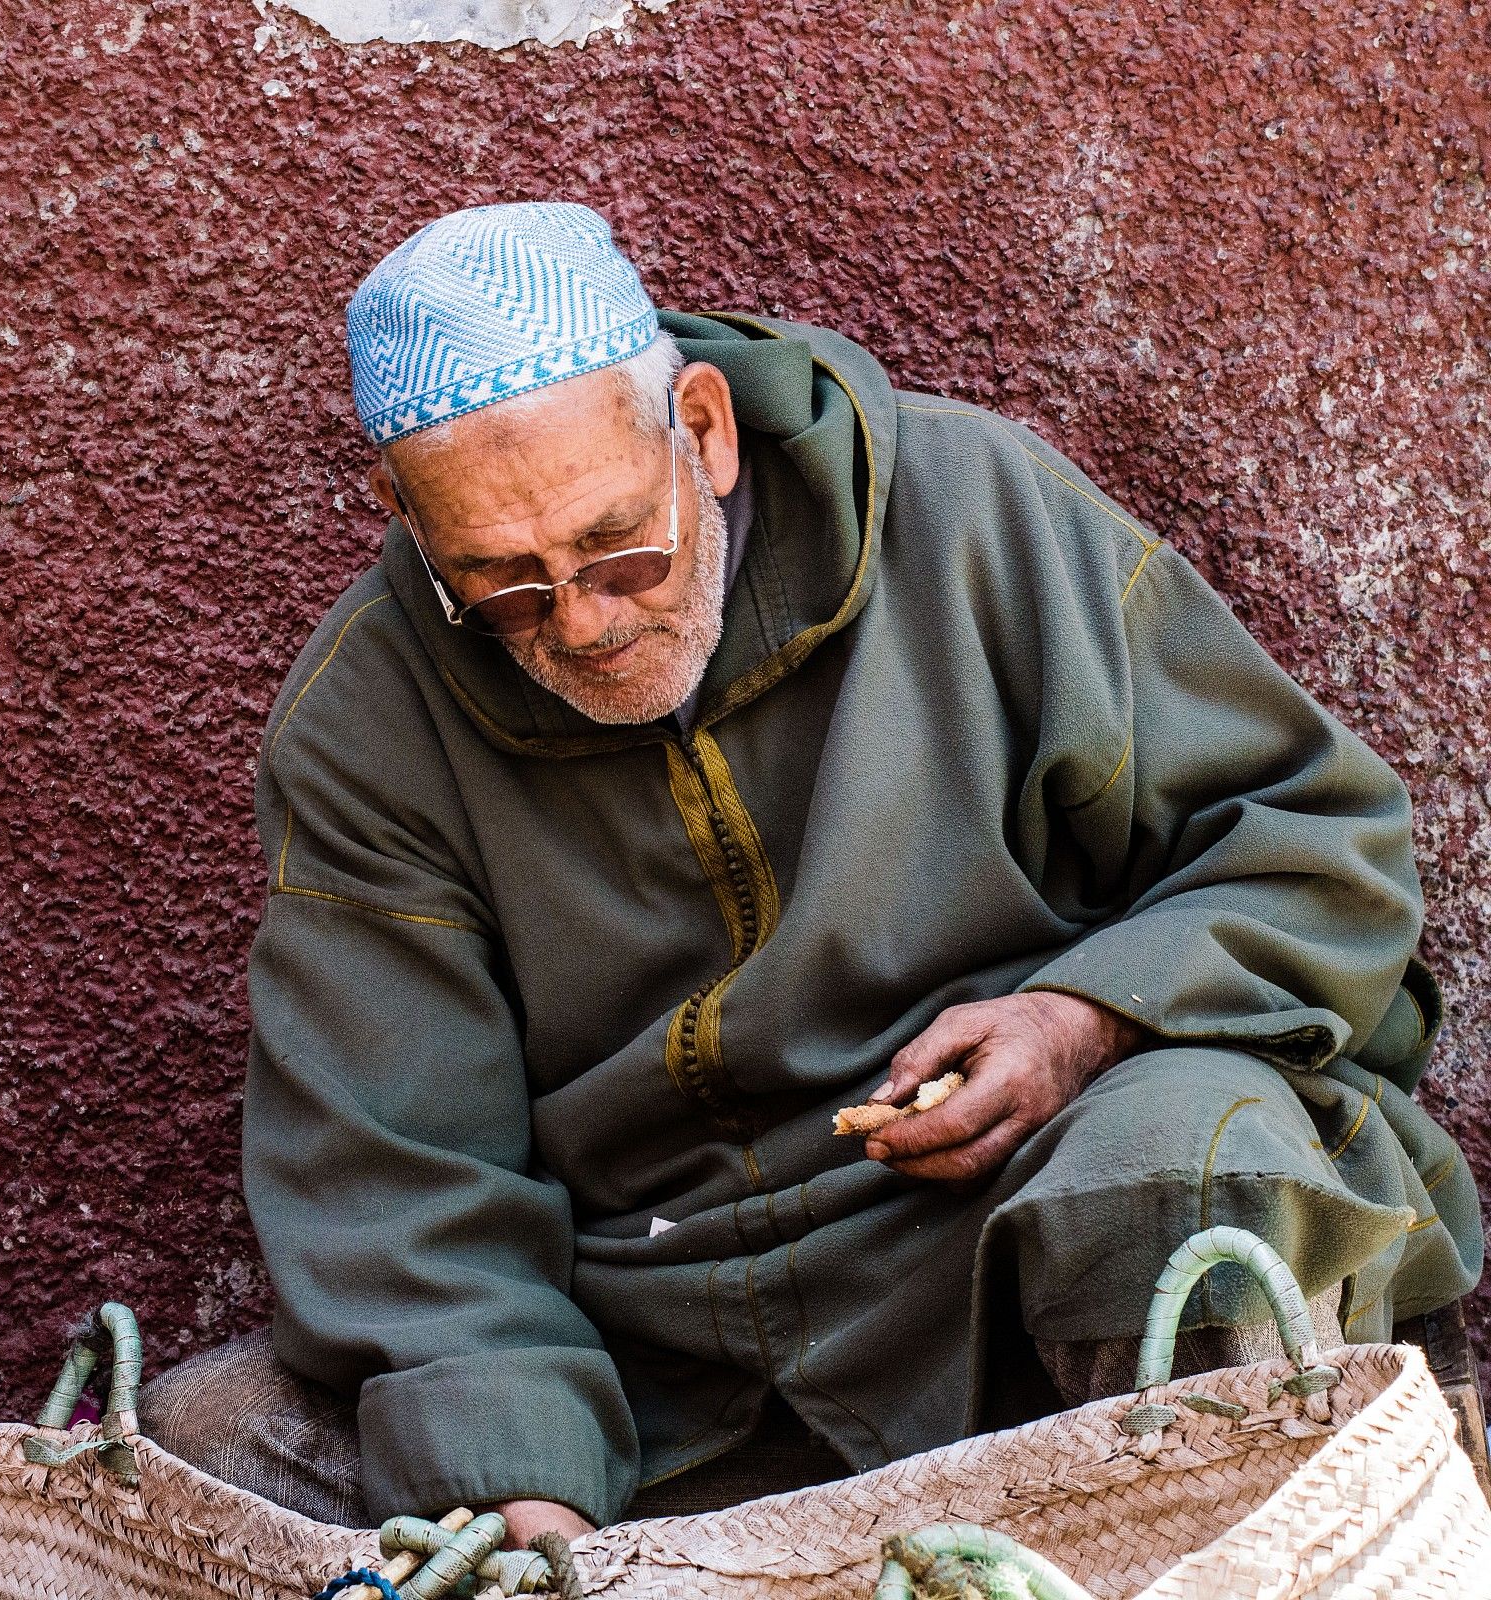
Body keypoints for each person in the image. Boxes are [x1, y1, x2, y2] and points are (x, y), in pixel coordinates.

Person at [140, 202, 1483, 1547]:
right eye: (506, 587)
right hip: (661, 1357)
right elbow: (398, 1170)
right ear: (408, 521)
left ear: (706, 431)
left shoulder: (976, 518)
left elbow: (1317, 848)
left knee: (1182, 1164)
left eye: (622, 550)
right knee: (212, 1442)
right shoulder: (365, 722)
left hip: (1013, 1257)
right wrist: (512, 1496)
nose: (587, 623)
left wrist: (1081, 1022)